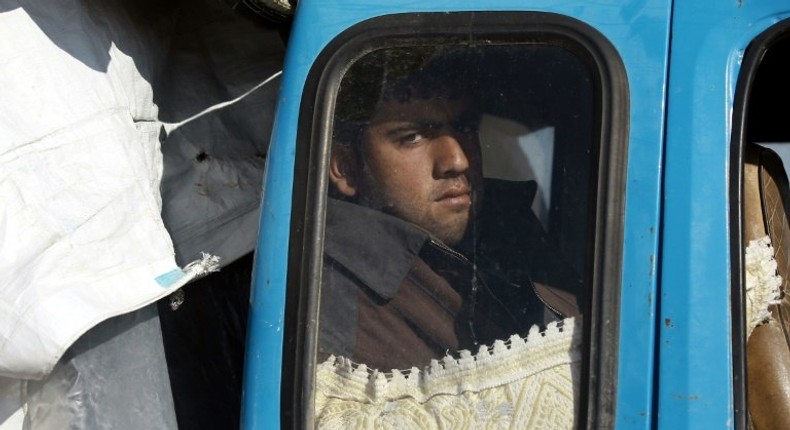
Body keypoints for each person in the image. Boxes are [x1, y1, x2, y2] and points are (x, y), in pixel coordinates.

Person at [318, 47, 581, 371]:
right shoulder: (327, 299)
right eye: (412, 136)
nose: (458, 160)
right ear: (346, 168)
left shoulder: (515, 233)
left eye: (465, 128)